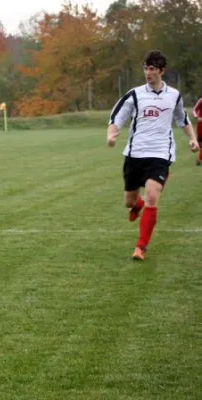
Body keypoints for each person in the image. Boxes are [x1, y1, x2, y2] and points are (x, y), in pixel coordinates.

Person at [107, 50, 199, 261]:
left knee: (152, 196)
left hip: (160, 153)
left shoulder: (174, 95)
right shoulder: (135, 94)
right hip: (135, 153)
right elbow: (117, 117)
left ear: (162, 71)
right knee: (129, 202)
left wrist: (192, 139)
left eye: (152, 69)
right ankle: (136, 205)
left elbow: (182, 120)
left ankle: (141, 247)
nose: (148, 73)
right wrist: (111, 134)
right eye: (146, 68)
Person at [192, 96, 202, 165]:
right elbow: (194, 110)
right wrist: (197, 117)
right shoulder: (201, 100)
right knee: (199, 143)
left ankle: (200, 159)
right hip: (201, 125)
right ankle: (195, 146)